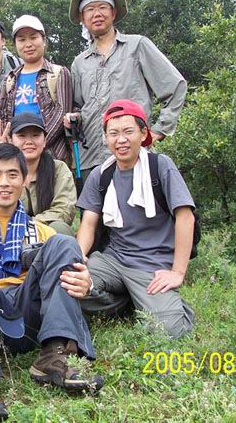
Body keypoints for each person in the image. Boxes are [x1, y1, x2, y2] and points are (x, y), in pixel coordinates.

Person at [0, 143, 102, 422]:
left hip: (25, 320)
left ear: (25, 180)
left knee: (65, 243)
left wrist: (87, 282)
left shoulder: (41, 230)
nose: (4, 182)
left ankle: (54, 354)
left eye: (13, 175)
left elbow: (72, 267)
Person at [76, 100, 195, 338]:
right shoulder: (101, 174)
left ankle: (152, 303)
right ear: (106, 138)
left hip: (151, 265)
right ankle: (125, 301)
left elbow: (185, 217)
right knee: (68, 285)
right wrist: (77, 259)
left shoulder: (160, 166)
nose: (121, 140)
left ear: (143, 134)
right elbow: (88, 224)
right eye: (113, 133)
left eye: (128, 131)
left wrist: (178, 272)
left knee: (169, 331)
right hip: (112, 260)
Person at [66, 0, 187, 177]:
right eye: (89, 9)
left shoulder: (137, 46)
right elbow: (78, 106)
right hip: (91, 160)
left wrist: (158, 130)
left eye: (102, 7)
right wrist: (74, 118)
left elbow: (175, 86)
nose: (97, 14)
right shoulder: (79, 63)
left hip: (133, 156)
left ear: (113, 13)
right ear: (82, 18)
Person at [0, 113, 77, 235]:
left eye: (35, 135)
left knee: (60, 228)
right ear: (10, 140)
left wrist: (27, 224)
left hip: (44, 232)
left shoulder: (58, 168)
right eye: (22, 136)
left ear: (45, 141)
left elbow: (64, 210)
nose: (29, 141)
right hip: (5, 232)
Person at [0, 15, 73, 163]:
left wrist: (35, 146)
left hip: (52, 156)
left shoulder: (59, 73)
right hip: (17, 158)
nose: (28, 44)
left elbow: (61, 114)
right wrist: (13, 149)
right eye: (22, 39)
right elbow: (4, 118)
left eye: (33, 37)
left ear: (44, 40)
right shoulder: (9, 79)